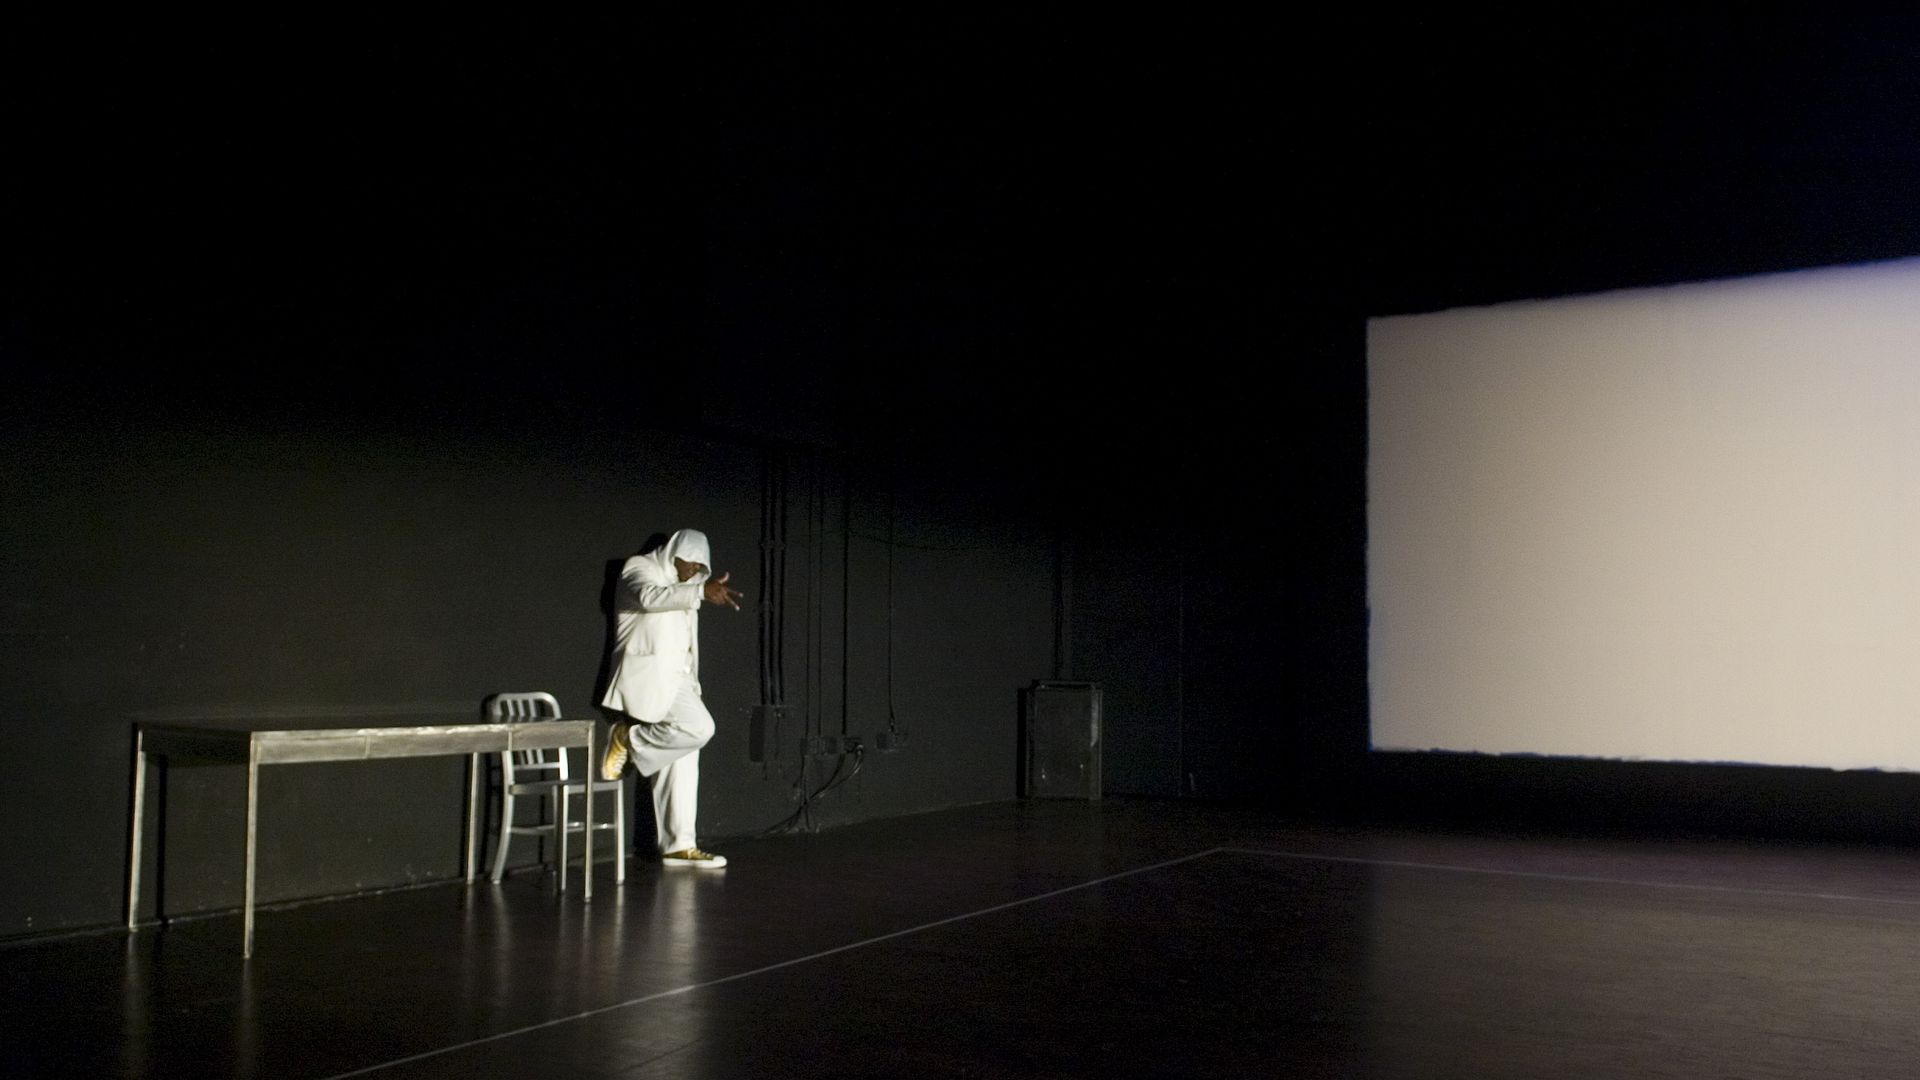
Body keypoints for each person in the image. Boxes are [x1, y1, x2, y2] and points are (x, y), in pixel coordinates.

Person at [599, 528, 743, 868]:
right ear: (672, 552)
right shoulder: (640, 568)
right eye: (689, 563)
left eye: (699, 568)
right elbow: (649, 597)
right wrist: (699, 593)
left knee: (682, 757)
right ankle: (628, 738)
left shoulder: (687, 589)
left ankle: (679, 845)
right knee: (700, 729)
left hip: (679, 681)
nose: (692, 570)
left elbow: (686, 641)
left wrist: (693, 683)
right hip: (648, 675)